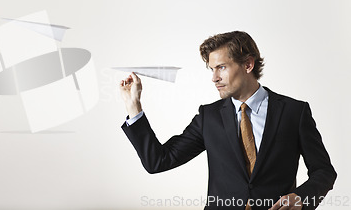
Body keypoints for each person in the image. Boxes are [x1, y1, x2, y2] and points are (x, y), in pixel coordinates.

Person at [120, 31, 336, 210]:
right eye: (212, 69)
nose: (214, 78)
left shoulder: (293, 112)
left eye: (221, 67)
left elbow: (324, 171)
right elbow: (158, 161)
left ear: (248, 65)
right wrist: (134, 107)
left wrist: (301, 198)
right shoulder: (209, 117)